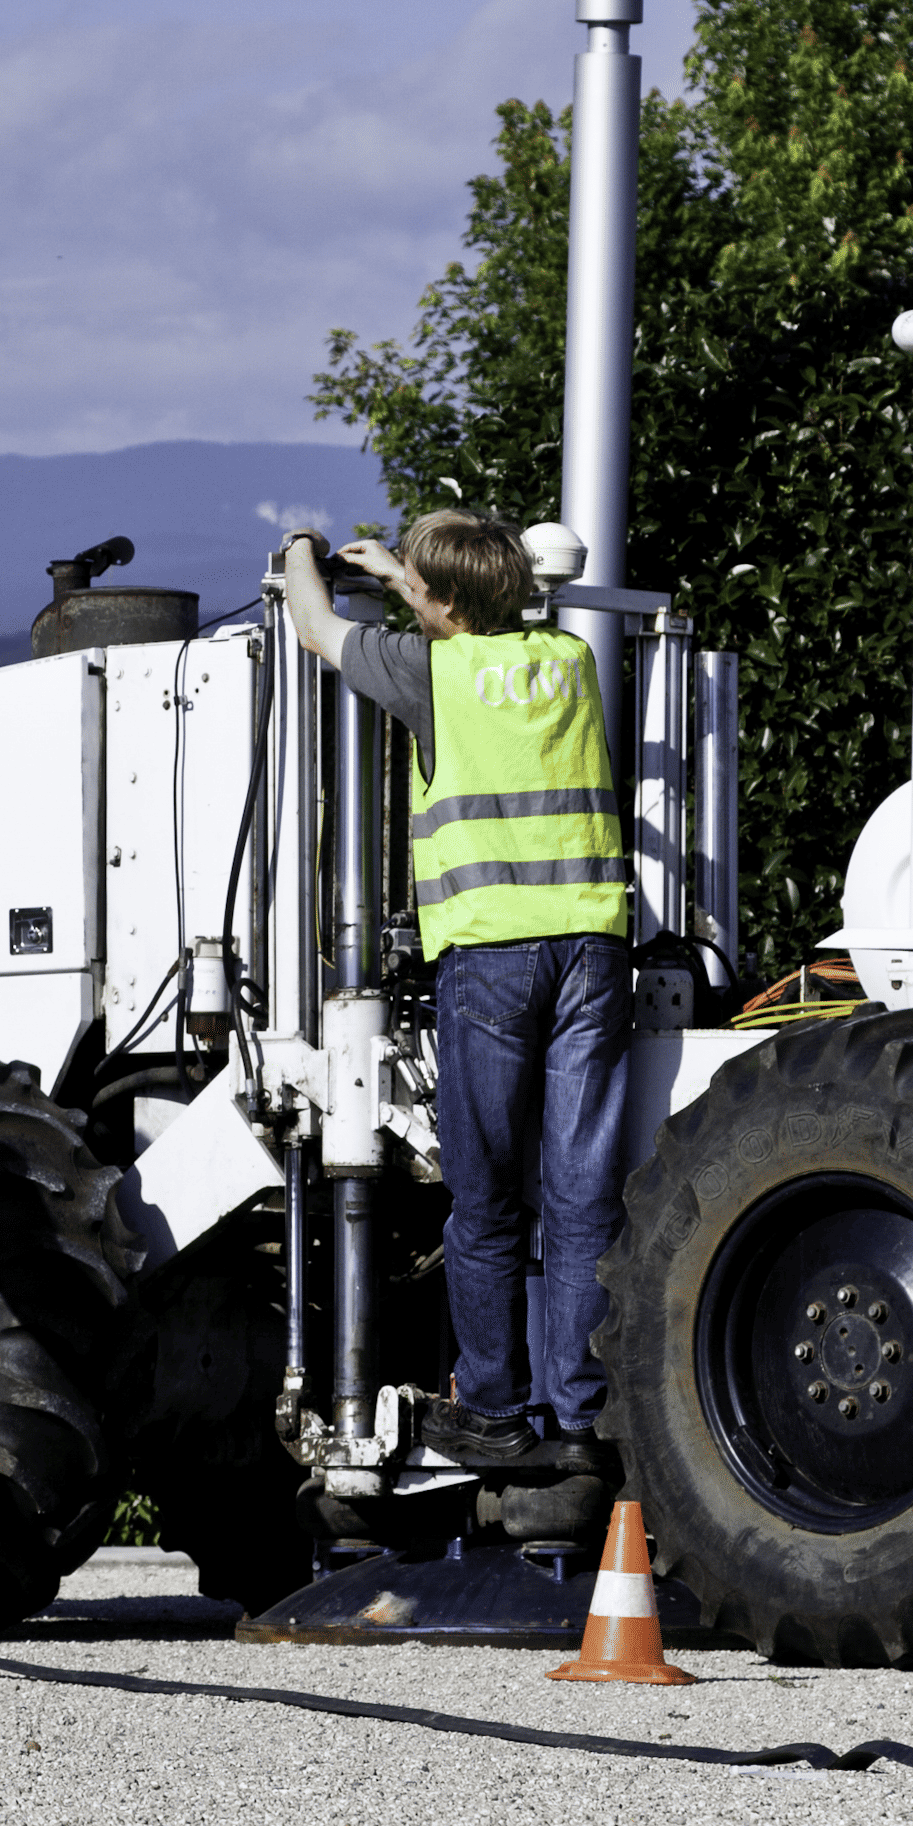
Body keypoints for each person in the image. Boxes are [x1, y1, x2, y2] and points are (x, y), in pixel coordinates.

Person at [276, 511, 628, 1472]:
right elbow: (474, 621)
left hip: (494, 960)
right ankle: (579, 1415)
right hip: (593, 955)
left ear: (444, 605)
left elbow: (313, 628)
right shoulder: (567, 660)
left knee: (483, 1203)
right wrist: (404, 573)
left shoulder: (429, 673)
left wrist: (302, 554)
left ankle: (496, 1412)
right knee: (581, 1196)